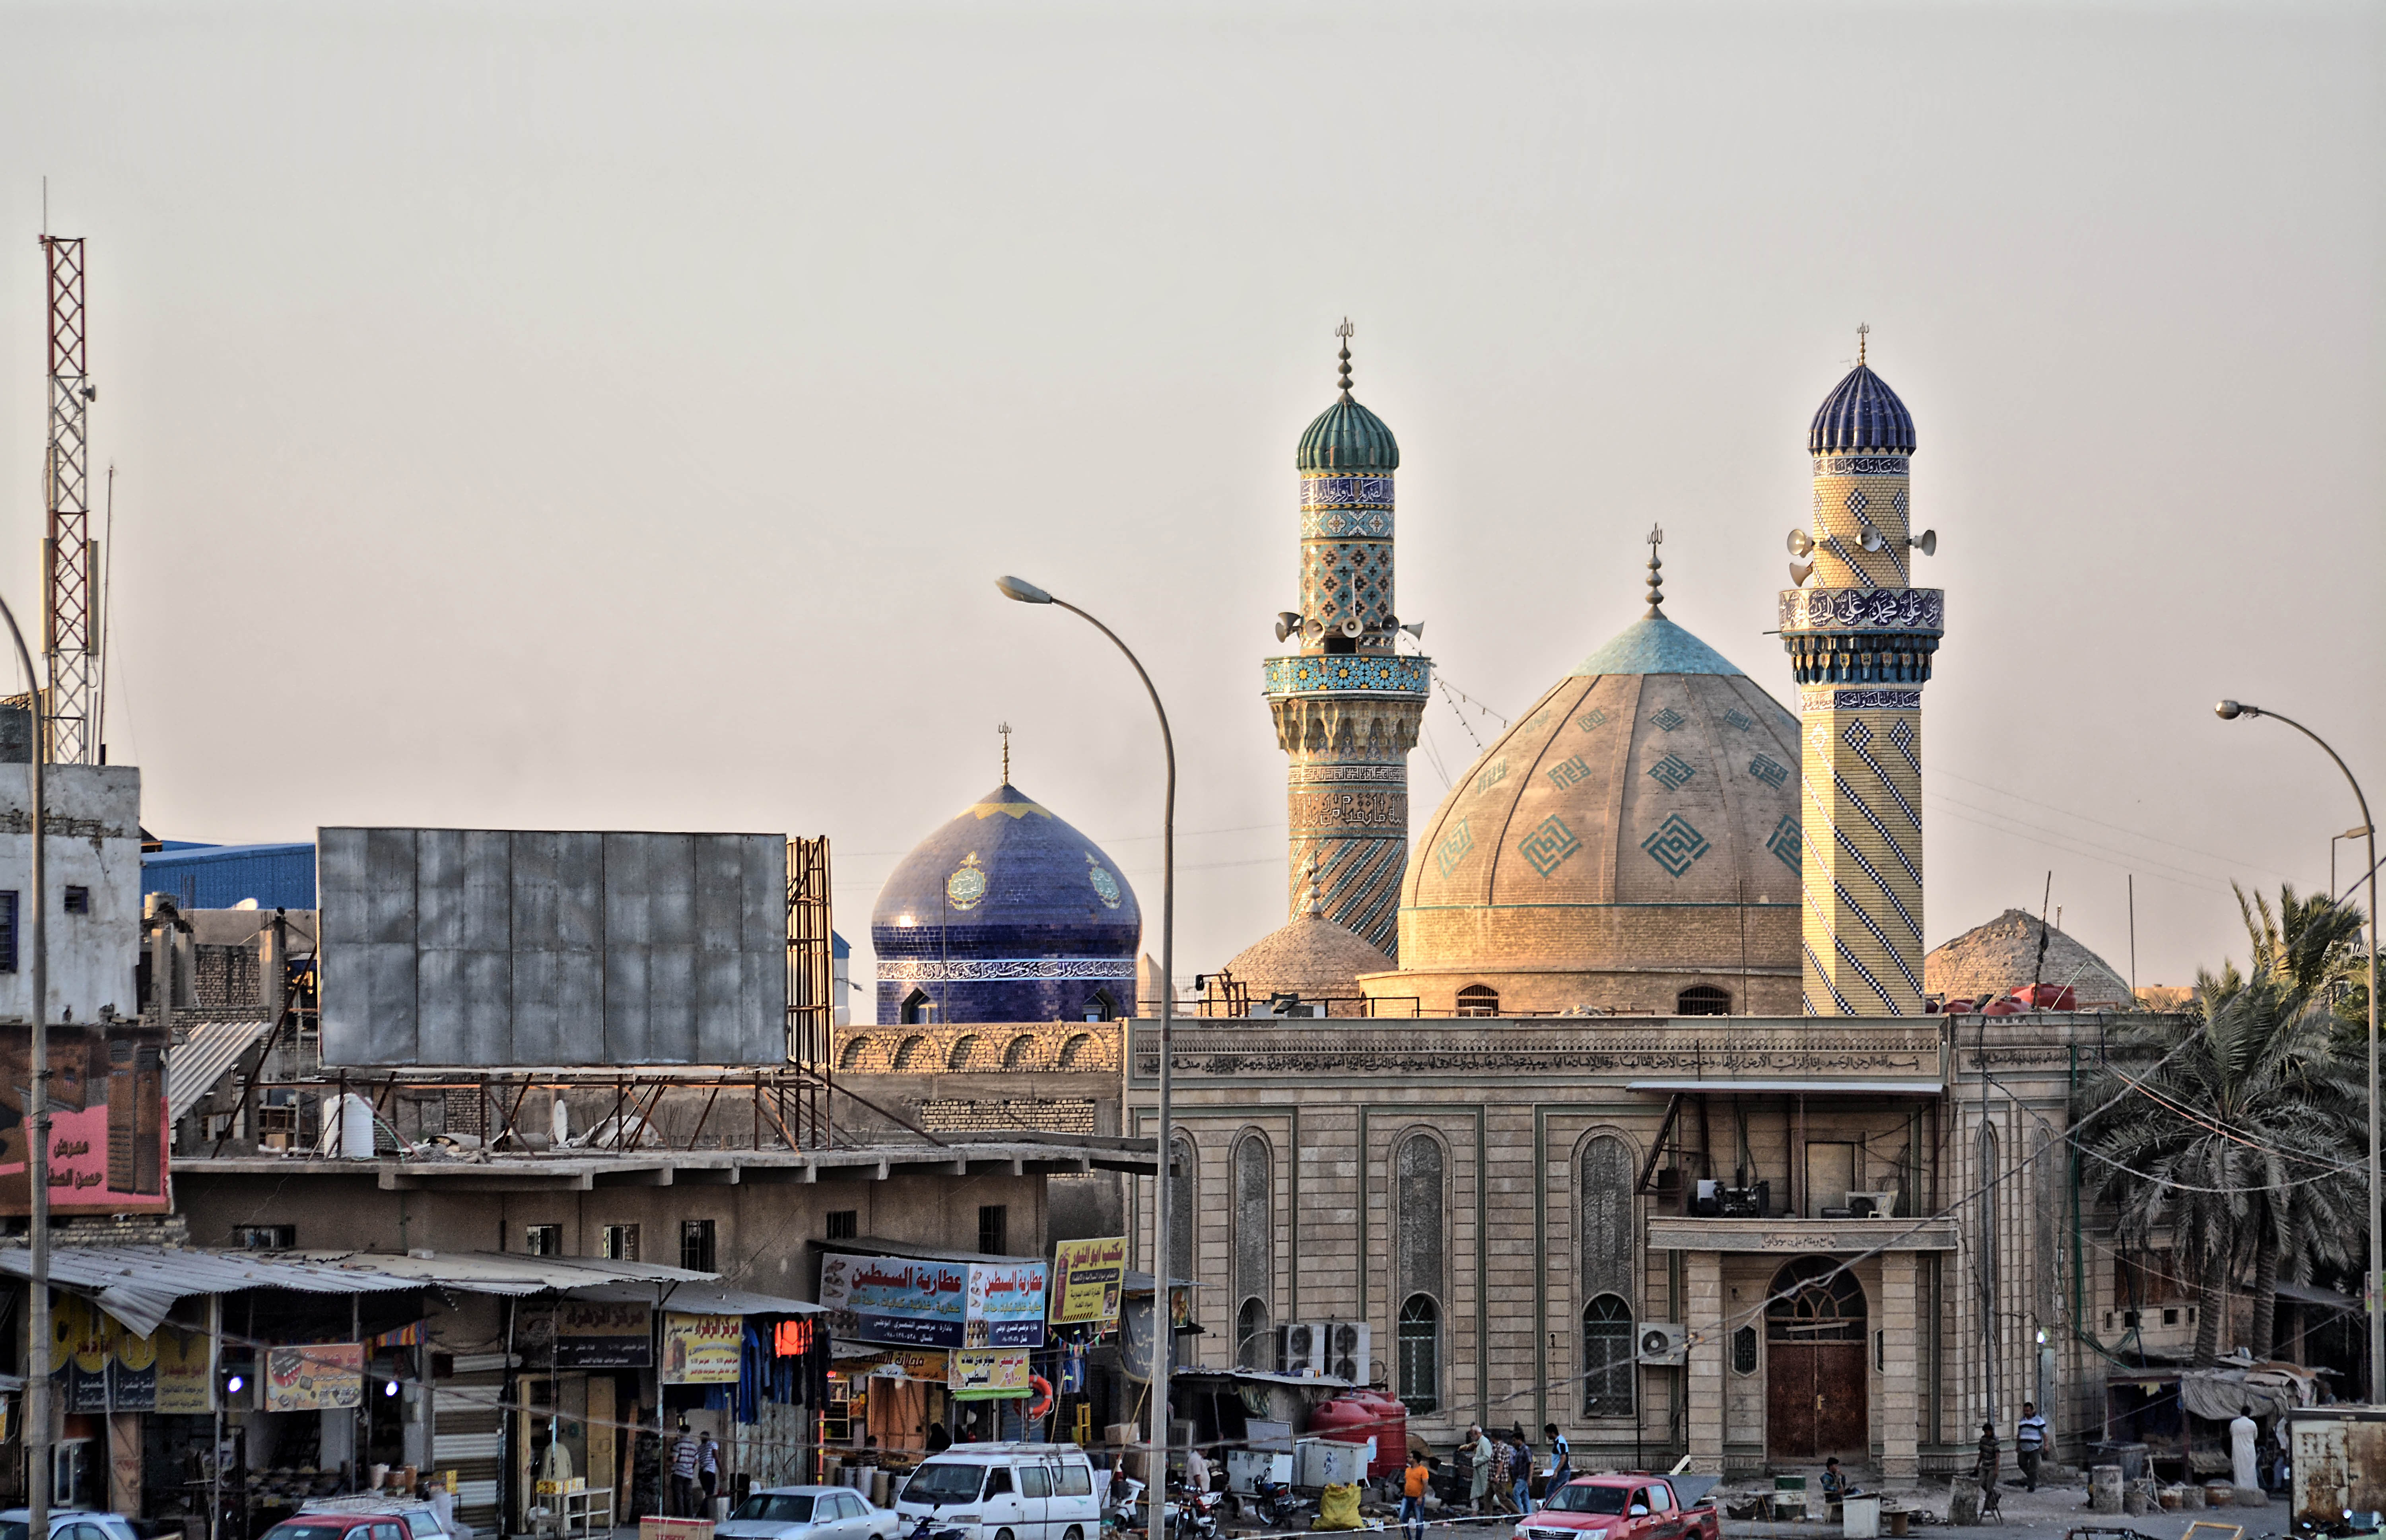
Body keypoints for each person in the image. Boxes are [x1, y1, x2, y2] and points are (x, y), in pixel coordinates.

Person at [668, 1420, 700, 1518]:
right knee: (688, 1496)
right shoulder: (694, 1446)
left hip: (678, 1473)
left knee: (679, 1496)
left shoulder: (678, 1444)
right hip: (689, 1474)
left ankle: (680, 1516)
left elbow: (674, 1459)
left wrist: (669, 1459)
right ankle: (689, 1516)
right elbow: (696, 1461)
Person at [2016, 1402, 2049, 1492]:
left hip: (2035, 1447)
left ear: (2032, 1411)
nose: (2026, 1413)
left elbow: (2045, 1434)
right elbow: (2019, 1434)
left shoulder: (2039, 1421)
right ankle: (2032, 1478)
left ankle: (2032, 1486)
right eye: (2025, 1411)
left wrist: (2046, 1445)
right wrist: (2018, 1445)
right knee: (2021, 1463)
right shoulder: (2022, 1421)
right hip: (2023, 1447)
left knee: (2034, 1466)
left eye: (2028, 1411)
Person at [1401, 1449, 1431, 1540]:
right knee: (1402, 1517)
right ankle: (1408, 1538)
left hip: (1417, 1499)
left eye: (1410, 1457)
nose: (1408, 1459)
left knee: (1419, 1520)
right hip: (1407, 1497)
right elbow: (1406, 1482)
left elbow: (1426, 1485)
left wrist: (1421, 1497)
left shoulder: (1423, 1470)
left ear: (1415, 1459)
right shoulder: (1408, 1470)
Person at [1975, 1423, 2002, 1519]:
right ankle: (1996, 1495)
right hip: (1985, 1465)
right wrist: (1978, 1464)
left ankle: (1989, 1505)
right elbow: (1981, 1453)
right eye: (1985, 1432)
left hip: (1992, 1466)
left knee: (1990, 1486)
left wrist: (1996, 1469)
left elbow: (1998, 1456)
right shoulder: (1983, 1440)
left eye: (1988, 1432)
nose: (1986, 1434)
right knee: (1983, 1483)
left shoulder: (1995, 1441)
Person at [2230, 1406, 2260, 1491]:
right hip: (2250, 1450)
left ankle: (2240, 1489)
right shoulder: (2252, 1424)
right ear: (2249, 1414)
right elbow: (2255, 1437)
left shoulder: (2234, 1424)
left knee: (2238, 1469)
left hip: (2237, 1450)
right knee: (2250, 1469)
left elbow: (2232, 1433)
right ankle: (2251, 1489)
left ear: (2241, 1413)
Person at [1465, 1424, 1493, 1513]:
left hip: (1484, 1472)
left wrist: (1475, 1461)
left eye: (1473, 1435)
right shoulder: (1480, 1443)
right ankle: (1475, 1512)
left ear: (1477, 1434)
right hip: (1479, 1472)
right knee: (1475, 1493)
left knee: (1488, 1493)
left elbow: (1488, 1456)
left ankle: (1507, 1509)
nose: (1472, 1438)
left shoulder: (1485, 1442)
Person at [1543, 1423, 1573, 1504]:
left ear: (1552, 1433)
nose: (1547, 1436)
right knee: (1564, 1492)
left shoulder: (1560, 1442)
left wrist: (1556, 1471)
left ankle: (1548, 1509)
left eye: (1547, 1433)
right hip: (1565, 1471)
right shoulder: (1560, 1441)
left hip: (1562, 1472)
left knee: (1550, 1490)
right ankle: (1571, 1507)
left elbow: (1563, 1458)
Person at [1485, 1433, 1516, 1515]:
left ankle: (1519, 1515)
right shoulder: (1495, 1447)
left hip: (1499, 1479)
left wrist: (1497, 1476)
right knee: (1488, 1498)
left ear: (1493, 1438)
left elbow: (1501, 1464)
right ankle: (1488, 1520)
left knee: (1503, 1498)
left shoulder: (1501, 1448)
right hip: (1492, 1478)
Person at [1510, 1430, 1533, 1515]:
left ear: (1520, 1440)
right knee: (1525, 1498)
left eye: (1514, 1440)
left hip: (1523, 1478)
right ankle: (1528, 1514)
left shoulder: (1526, 1450)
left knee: (1516, 1494)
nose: (1513, 1443)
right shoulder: (1519, 1451)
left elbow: (1531, 1464)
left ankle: (1520, 1514)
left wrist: (1530, 1478)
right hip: (1519, 1477)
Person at [697, 1431, 720, 1514]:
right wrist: (722, 1471)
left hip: (702, 1474)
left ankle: (706, 1513)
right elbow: (716, 1458)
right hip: (709, 1472)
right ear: (709, 1438)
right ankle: (701, 1513)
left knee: (708, 1494)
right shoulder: (713, 1444)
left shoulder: (699, 1448)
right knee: (710, 1495)